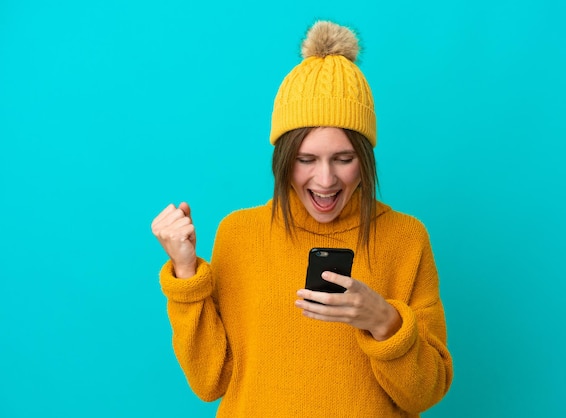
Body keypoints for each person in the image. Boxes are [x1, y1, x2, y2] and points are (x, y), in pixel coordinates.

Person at [151, 20, 453, 417]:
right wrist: (186, 272)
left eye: (343, 159)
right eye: (305, 160)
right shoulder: (240, 234)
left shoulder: (405, 238)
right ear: (282, 160)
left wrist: (386, 321)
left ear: (364, 160)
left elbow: (426, 394)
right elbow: (211, 382)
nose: (325, 180)